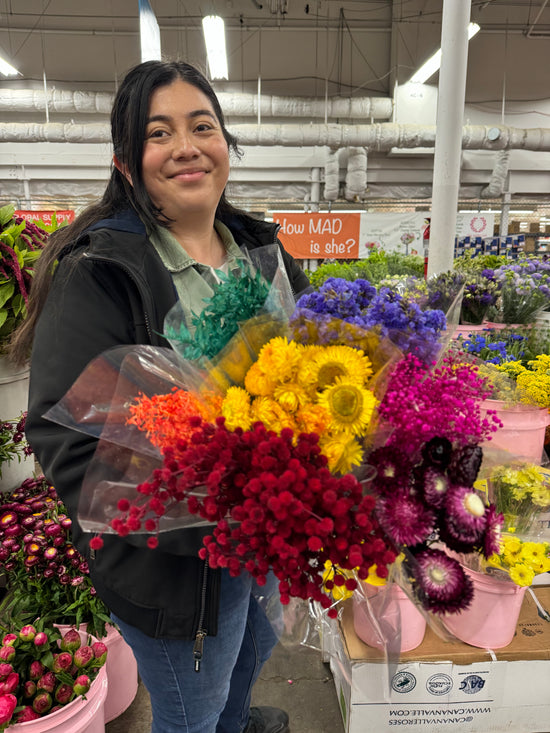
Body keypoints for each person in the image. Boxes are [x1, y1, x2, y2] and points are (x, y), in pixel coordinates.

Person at [12, 59, 310, 733]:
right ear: (126, 161)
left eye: (202, 126)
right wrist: (218, 511)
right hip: (175, 568)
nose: (185, 146)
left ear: (225, 144)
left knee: (250, 658)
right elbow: (68, 440)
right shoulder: (99, 271)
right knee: (191, 709)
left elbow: (324, 365)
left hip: (264, 542)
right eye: (159, 132)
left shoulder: (264, 251)